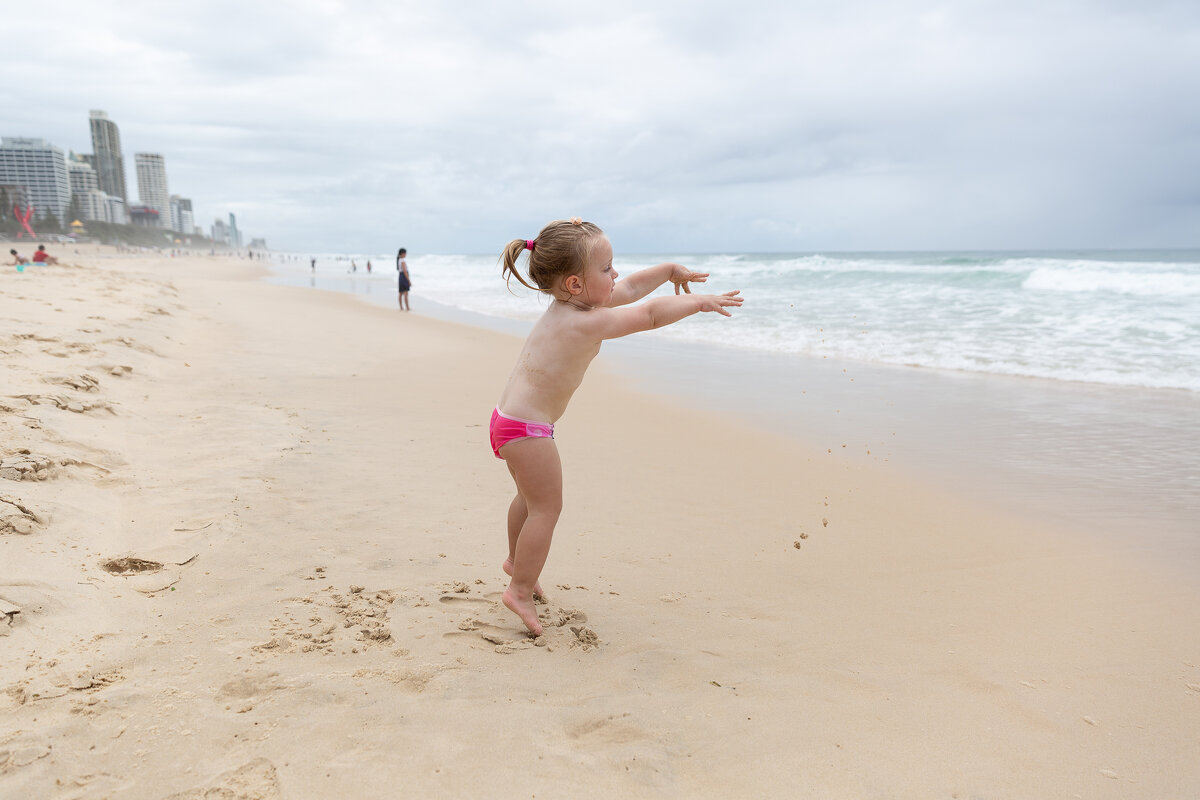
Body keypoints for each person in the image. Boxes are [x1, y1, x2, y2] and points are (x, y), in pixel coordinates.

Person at [490, 217, 743, 635]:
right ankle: (518, 589)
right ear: (575, 283)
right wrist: (698, 302)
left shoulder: (574, 306)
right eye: (606, 269)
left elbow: (630, 292)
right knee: (547, 508)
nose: (616, 275)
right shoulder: (584, 321)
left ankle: (519, 563)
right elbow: (646, 314)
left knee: (529, 499)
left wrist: (668, 272)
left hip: (509, 421)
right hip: (527, 431)